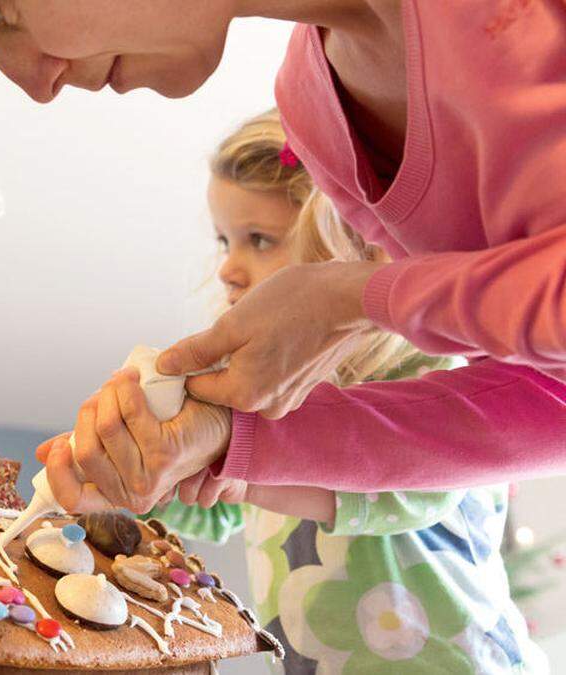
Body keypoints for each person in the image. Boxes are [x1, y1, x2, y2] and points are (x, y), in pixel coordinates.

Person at [0, 0, 566, 506]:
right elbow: (550, 395)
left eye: (3, 13)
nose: (34, 81)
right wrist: (224, 436)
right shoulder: (319, 117)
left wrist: (357, 300)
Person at [151, 109, 542, 673]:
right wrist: (158, 469)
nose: (229, 269)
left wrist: (239, 470)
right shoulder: (266, 397)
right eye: (225, 241)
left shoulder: (424, 358)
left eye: (259, 239)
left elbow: (413, 493)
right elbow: (218, 513)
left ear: (345, 246)